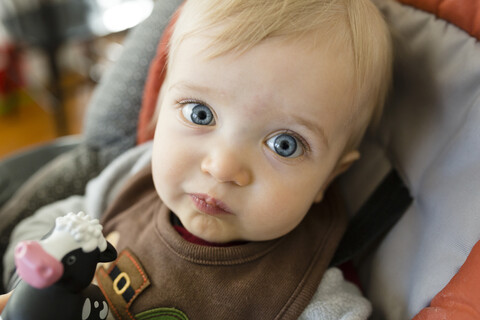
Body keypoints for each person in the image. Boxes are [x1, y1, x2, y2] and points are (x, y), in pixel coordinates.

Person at [1, 0, 392, 319]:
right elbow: (47, 225)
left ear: (328, 178)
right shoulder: (134, 176)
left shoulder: (310, 298)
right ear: (159, 110)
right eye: (200, 114)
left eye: (284, 144)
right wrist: (37, 289)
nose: (222, 168)